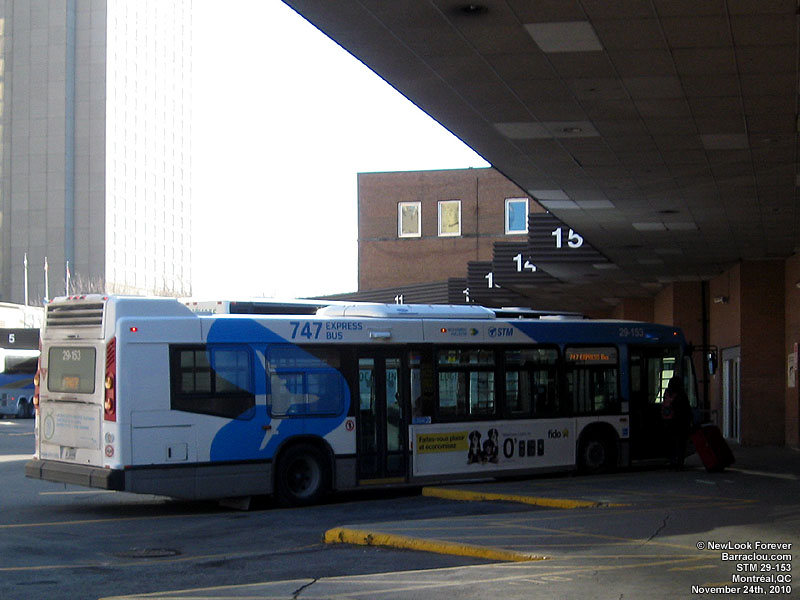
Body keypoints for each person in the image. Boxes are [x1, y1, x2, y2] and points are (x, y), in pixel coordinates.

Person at [662, 376, 692, 469]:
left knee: (671, 443)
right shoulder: (681, 394)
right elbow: (686, 409)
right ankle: (679, 462)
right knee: (681, 444)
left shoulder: (667, 393)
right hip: (680, 423)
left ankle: (672, 461)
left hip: (668, 422)